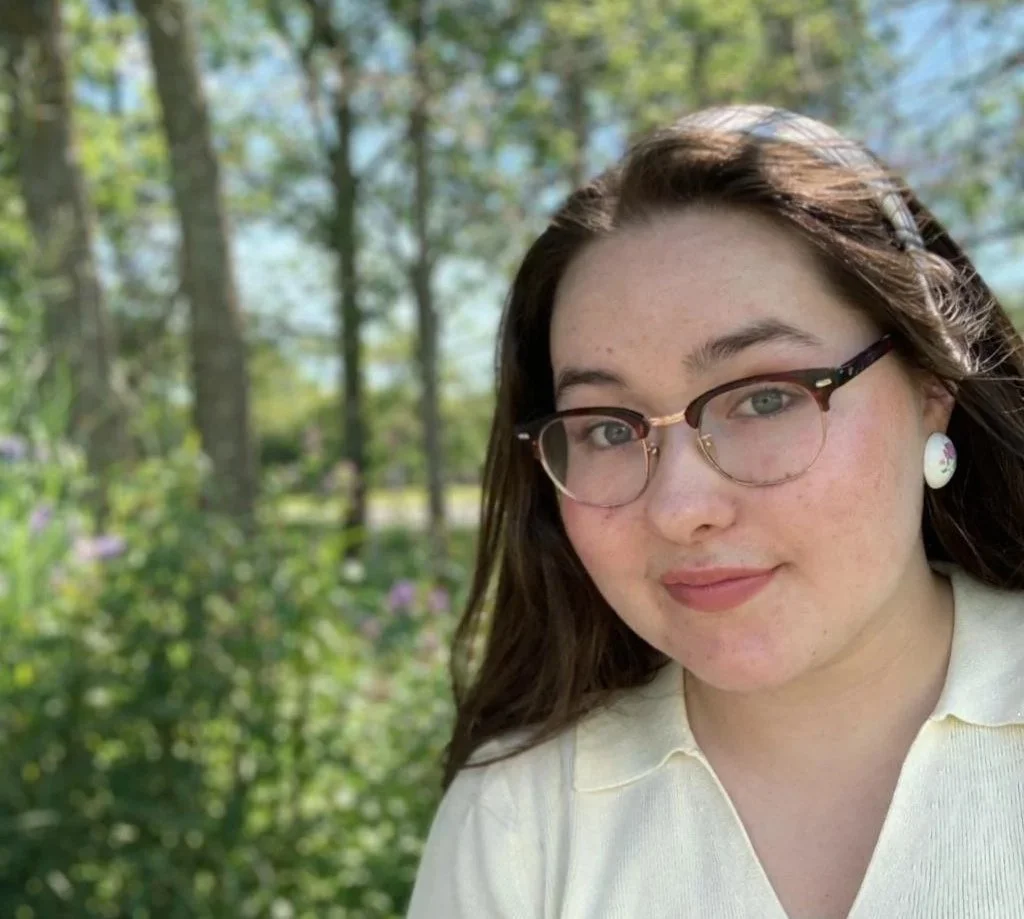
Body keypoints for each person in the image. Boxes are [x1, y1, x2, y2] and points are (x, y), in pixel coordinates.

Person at [405, 105, 1024, 919]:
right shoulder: (522, 819)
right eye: (604, 427)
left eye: (766, 398)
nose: (679, 508)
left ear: (932, 393)